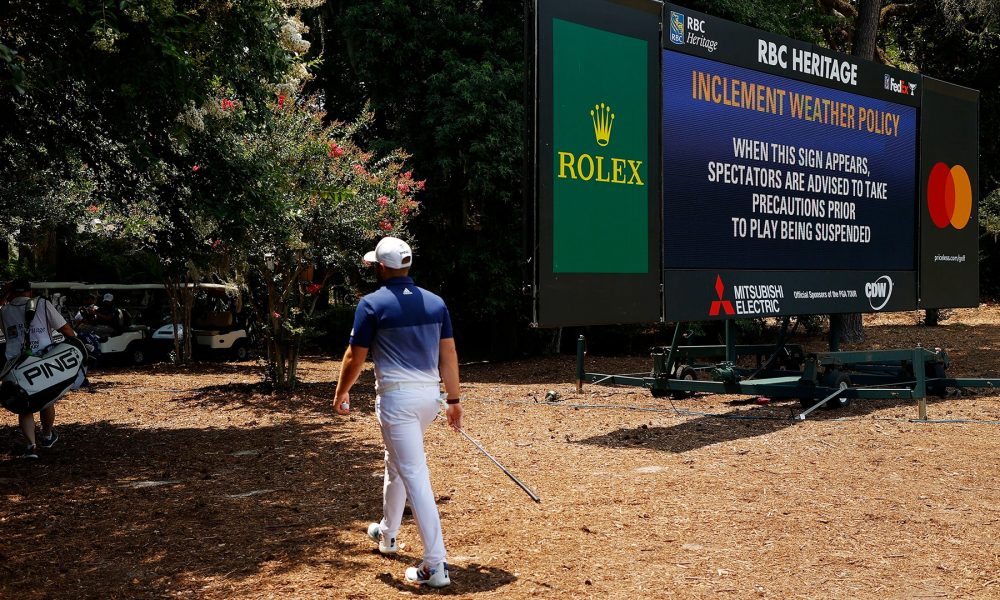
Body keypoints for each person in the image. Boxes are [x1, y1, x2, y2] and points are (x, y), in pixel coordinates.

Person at [333, 237, 463, 588]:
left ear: (381, 267)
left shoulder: (372, 304)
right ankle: (388, 533)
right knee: (396, 461)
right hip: (428, 401)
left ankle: (435, 565)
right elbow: (448, 355)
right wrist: (453, 400)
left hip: (398, 402)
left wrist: (341, 392)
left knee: (415, 475)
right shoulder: (435, 303)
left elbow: (354, 357)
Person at [1, 279, 78, 458]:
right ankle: (47, 435)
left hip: (15, 362)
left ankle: (31, 446)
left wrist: (5, 295)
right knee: (47, 399)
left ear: (11, 292)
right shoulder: (42, 304)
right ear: (29, 291)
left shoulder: (4, 310)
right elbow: (64, 328)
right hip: (43, 358)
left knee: (24, 405)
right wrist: (76, 342)